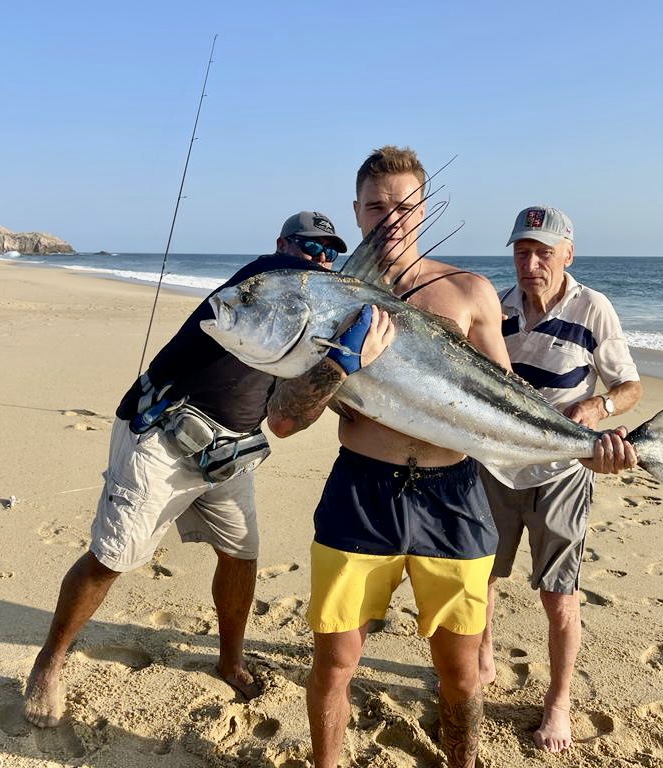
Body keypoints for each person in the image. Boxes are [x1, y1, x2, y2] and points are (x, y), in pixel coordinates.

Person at [24, 210, 349, 728]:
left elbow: (288, 418)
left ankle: (230, 659)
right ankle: (50, 660)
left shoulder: (313, 322)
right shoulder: (262, 280)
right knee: (113, 557)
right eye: (308, 247)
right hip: (160, 435)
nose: (320, 259)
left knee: (242, 555)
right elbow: (281, 277)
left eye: (331, 252)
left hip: (229, 451)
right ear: (281, 245)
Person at [267, 145, 514, 768]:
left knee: (459, 672)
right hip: (361, 489)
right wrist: (341, 364)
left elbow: (508, 398)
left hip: (453, 493)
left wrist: (585, 443)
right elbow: (285, 420)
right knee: (336, 660)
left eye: (404, 204)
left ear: (423, 207)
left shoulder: (471, 292)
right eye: (376, 206)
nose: (391, 217)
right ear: (356, 213)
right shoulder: (324, 300)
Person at [478, 205, 642, 753]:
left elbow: (630, 388)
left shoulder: (594, 308)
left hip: (563, 472)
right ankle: (482, 662)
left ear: (567, 254)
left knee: (560, 596)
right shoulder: (496, 308)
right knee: (481, 579)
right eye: (522, 252)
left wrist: (598, 405)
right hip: (496, 466)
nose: (530, 263)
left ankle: (559, 701)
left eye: (543, 252)